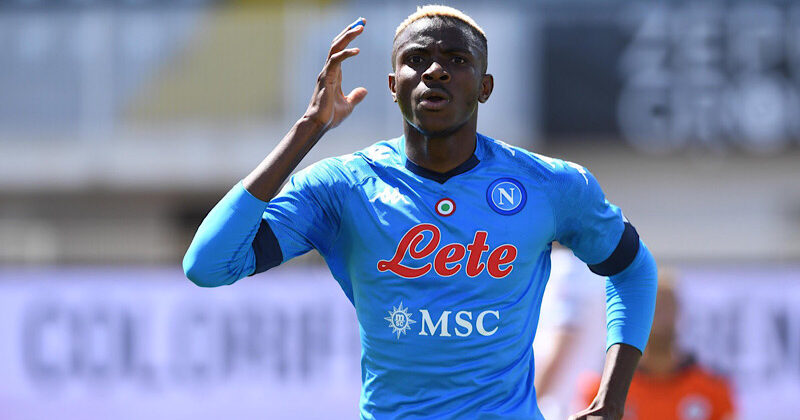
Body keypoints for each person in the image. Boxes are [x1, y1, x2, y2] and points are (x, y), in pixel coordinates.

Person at [183, 5, 658, 419]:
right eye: (416, 59)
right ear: (393, 86)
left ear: (485, 87)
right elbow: (208, 265)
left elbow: (634, 270)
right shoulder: (342, 187)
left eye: (457, 59)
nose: (435, 71)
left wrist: (611, 398)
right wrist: (308, 128)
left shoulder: (550, 185)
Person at [577, 269, 736, 420]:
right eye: (650, 307)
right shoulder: (603, 391)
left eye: (666, 306)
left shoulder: (712, 388)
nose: (659, 315)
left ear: (679, 312)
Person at [534, 245, 607, 419]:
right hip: (578, 405)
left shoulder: (569, 269)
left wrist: (522, 405)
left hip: (558, 407)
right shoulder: (593, 269)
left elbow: (562, 341)